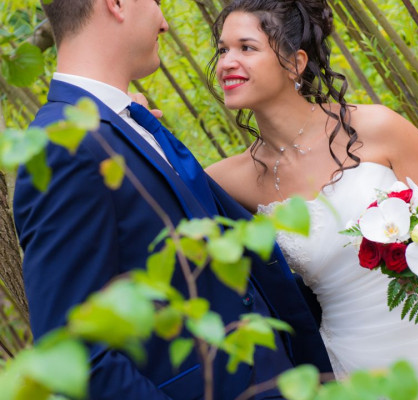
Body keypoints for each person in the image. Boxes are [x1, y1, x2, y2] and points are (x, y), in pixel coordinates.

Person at [13, 1, 332, 399]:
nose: (164, 23)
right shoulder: (62, 147)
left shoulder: (121, 126)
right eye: (157, 3)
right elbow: (76, 359)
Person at [204, 0, 418, 398]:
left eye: (246, 48)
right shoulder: (231, 179)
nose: (226, 62)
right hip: (356, 366)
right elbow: (160, 184)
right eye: (222, 50)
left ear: (295, 63)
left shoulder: (376, 127)